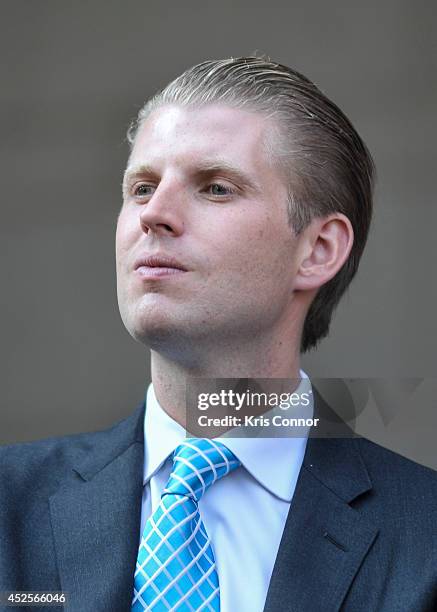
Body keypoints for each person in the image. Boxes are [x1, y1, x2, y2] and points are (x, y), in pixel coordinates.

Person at [0, 56, 436, 612]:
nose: (153, 214)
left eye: (215, 188)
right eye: (141, 187)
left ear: (318, 250)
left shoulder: (426, 540)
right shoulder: (8, 508)